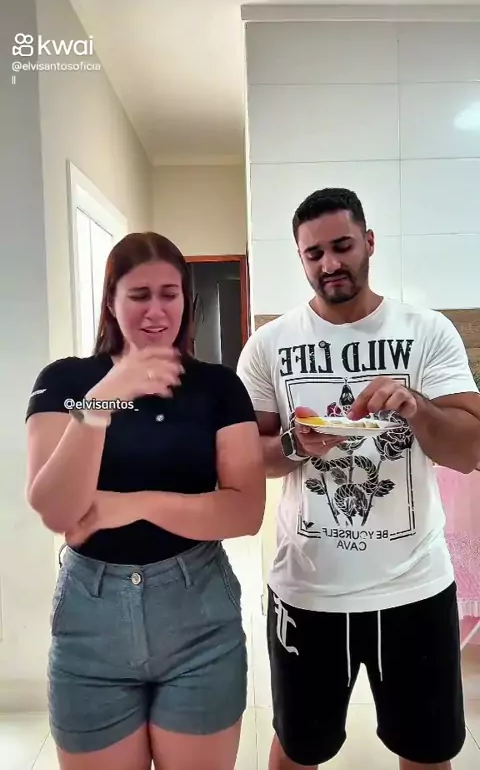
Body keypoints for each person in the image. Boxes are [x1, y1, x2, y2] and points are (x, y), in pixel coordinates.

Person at [236, 188, 480, 770]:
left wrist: (417, 407)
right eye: (313, 253)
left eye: (342, 246)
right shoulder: (269, 345)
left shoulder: (427, 331)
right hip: (307, 590)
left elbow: (470, 449)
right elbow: (247, 457)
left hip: (415, 589)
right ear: (301, 258)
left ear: (369, 242)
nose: (330, 263)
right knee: (298, 749)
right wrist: (294, 444)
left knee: (428, 752)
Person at [25, 231, 266, 770]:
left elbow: (245, 512)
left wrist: (127, 505)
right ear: (111, 301)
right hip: (91, 619)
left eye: (169, 294)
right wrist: (102, 401)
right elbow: (57, 510)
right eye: (139, 295)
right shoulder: (66, 381)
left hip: (199, 611)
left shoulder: (218, 387)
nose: (156, 311)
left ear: (186, 300)